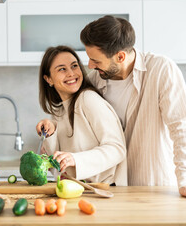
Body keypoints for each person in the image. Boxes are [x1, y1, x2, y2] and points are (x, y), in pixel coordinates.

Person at [80, 15, 186, 199]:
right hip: (110, 190)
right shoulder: (94, 80)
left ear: (120, 56)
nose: (90, 65)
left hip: (155, 187)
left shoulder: (161, 70)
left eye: (96, 60)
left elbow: (181, 126)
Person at [36, 45, 127, 185]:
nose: (71, 73)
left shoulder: (88, 99)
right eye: (62, 69)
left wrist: (74, 159)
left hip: (104, 191)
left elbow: (117, 149)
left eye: (74, 66)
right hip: (77, 190)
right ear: (49, 79)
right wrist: (51, 132)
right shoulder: (58, 111)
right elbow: (57, 168)